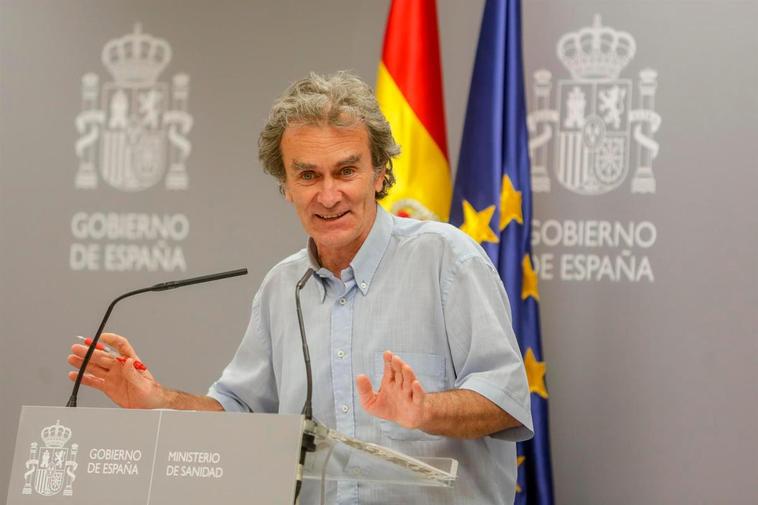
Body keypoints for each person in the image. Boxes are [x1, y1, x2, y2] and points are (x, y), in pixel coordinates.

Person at [67, 71, 533, 505]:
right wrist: (160, 400)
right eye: (307, 175)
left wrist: (424, 411)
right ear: (285, 186)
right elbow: (240, 415)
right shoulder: (281, 287)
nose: (328, 195)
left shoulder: (448, 260)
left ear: (380, 175)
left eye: (346, 171)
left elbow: (505, 401)